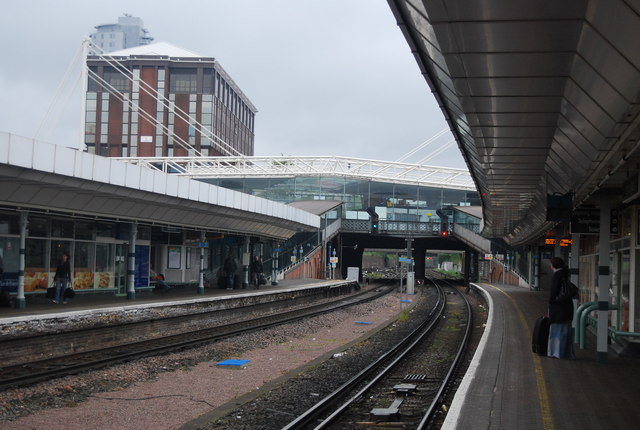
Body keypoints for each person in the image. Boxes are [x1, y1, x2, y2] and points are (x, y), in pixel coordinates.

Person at [547, 256, 575, 359]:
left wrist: (550, 302)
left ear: (553, 265)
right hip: (567, 307)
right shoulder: (565, 274)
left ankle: (556, 352)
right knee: (565, 332)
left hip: (558, 308)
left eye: (551, 264)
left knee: (556, 331)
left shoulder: (557, 275)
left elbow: (554, 291)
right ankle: (565, 352)